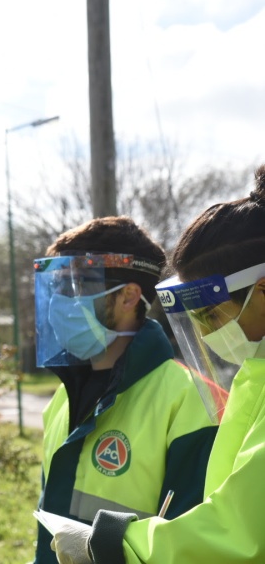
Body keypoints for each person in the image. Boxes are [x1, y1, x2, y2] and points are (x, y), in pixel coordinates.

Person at [51, 166, 265, 563]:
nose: (205, 335)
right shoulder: (255, 378)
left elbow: (239, 533)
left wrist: (114, 543)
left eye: (211, 316)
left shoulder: (186, 401)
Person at [32, 217, 217, 564]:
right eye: (56, 286)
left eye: (77, 285)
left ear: (129, 296)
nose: (60, 300)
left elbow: (194, 545)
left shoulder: (192, 401)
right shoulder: (63, 396)